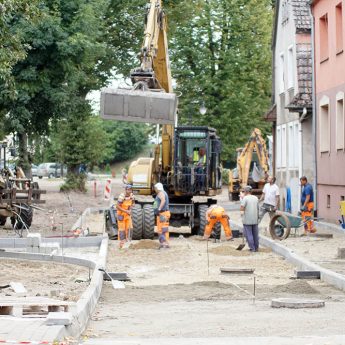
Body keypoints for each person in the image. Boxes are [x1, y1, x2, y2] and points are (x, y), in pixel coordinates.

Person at [240, 185, 260, 252]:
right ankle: (256, 247)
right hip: (255, 219)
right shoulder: (256, 198)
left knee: (249, 234)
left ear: (245, 191)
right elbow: (258, 208)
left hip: (247, 219)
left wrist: (242, 215)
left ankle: (252, 248)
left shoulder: (245, 198)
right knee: (255, 234)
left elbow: (242, 207)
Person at [116, 184, 135, 249]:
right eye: (128, 190)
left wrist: (131, 208)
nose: (129, 191)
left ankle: (127, 242)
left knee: (130, 228)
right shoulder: (122, 196)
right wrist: (126, 211)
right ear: (126, 190)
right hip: (121, 215)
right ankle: (121, 245)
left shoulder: (132, 196)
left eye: (130, 190)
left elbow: (133, 203)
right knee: (122, 230)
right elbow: (117, 206)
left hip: (127, 215)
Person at [153, 182, 171, 249]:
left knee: (163, 229)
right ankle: (163, 243)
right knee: (161, 230)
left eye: (155, 188)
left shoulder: (161, 193)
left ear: (158, 188)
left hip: (163, 213)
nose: (155, 189)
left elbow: (163, 200)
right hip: (162, 214)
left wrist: (159, 209)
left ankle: (165, 244)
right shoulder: (162, 193)